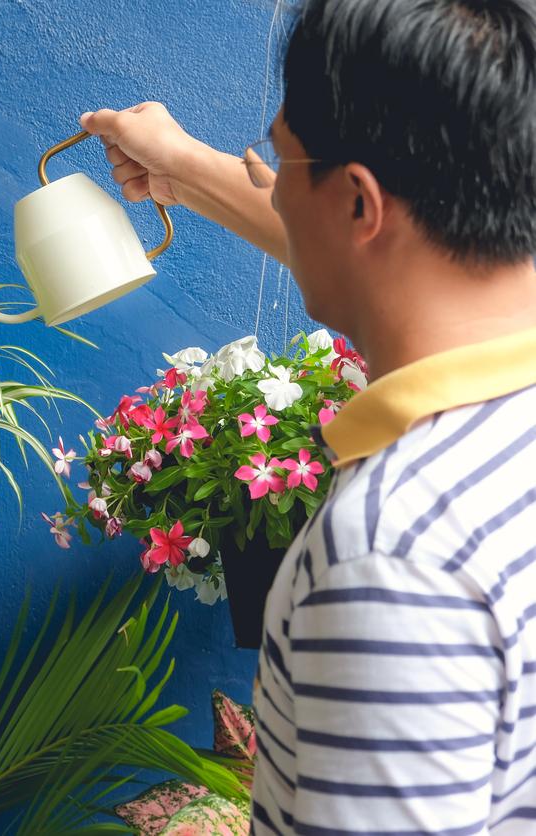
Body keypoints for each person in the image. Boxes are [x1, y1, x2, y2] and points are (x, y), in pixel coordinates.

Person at [79, 0, 536, 833]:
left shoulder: (394, 552)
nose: (272, 184)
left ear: (361, 204)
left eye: (283, 160)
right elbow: (391, 261)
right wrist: (182, 170)